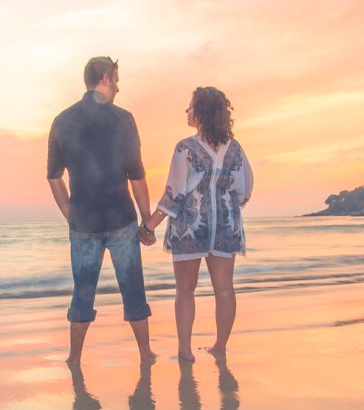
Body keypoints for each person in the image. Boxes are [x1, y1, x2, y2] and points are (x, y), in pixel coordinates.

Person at [47, 56, 157, 366]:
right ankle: (146, 354)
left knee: (83, 292)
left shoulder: (62, 120)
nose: (119, 87)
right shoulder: (124, 119)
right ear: (105, 79)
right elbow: (137, 176)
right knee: (133, 289)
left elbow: (54, 176)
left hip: (83, 221)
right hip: (121, 219)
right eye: (117, 79)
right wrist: (147, 222)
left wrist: (71, 214)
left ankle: (74, 358)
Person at [141, 86, 254, 361]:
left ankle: (185, 352)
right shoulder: (235, 149)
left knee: (185, 290)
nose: (186, 110)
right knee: (225, 288)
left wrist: (149, 226)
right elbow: (245, 189)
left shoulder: (186, 149)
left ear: (201, 112)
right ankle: (220, 347)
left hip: (191, 226)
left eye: (190, 106)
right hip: (226, 225)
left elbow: (175, 194)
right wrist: (226, 204)